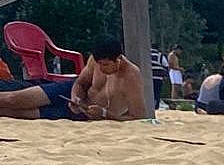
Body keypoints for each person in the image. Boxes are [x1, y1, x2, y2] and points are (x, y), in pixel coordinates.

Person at [0, 35, 144, 120]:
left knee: (20, 113)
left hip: (86, 113)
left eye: (105, 65)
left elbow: (137, 118)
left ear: (118, 59)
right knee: (14, 99)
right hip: (70, 92)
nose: (101, 68)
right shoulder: (95, 60)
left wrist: (106, 114)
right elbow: (81, 83)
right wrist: (76, 96)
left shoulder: (131, 76)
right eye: (98, 63)